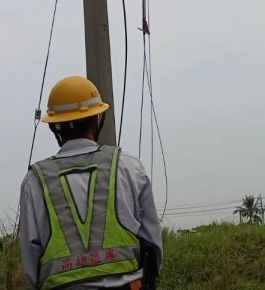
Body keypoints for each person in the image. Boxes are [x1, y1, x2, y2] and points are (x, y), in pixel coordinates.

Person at [19, 76, 162, 290]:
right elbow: (152, 246)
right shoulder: (129, 167)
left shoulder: (35, 181)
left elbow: (30, 264)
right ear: (97, 120)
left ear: (54, 128)